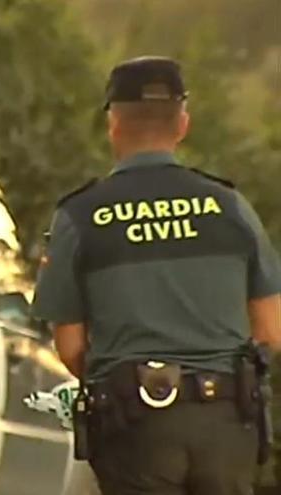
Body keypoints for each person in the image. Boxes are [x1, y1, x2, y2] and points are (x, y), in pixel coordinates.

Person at [33, 55, 281, 495]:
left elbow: (71, 346)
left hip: (135, 428)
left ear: (113, 125)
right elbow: (271, 330)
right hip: (227, 424)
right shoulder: (230, 207)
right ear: (182, 124)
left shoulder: (80, 215)